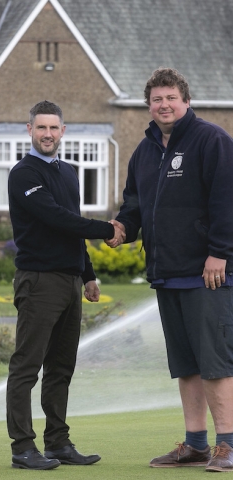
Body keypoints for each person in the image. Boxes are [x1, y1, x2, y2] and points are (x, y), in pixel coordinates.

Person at [107, 67, 233, 472]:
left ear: (186, 101)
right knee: (186, 363)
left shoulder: (210, 140)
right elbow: (134, 205)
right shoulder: (144, 151)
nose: (164, 105)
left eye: (170, 98)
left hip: (207, 273)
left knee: (215, 362)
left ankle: (228, 445)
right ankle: (196, 444)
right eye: (157, 99)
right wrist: (121, 229)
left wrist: (220, 252)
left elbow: (227, 201)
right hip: (167, 273)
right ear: (149, 105)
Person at [6, 100, 125, 470]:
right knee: (27, 367)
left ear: (63, 131)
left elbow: (71, 226)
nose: (47, 134)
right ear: (29, 130)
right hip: (38, 281)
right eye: (40, 128)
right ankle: (23, 448)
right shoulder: (23, 174)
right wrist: (108, 229)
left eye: (53, 128)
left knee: (61, 368)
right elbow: (56, 219)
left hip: (70, 281)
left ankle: (57, 443)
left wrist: (87, 274)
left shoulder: (69, 172)